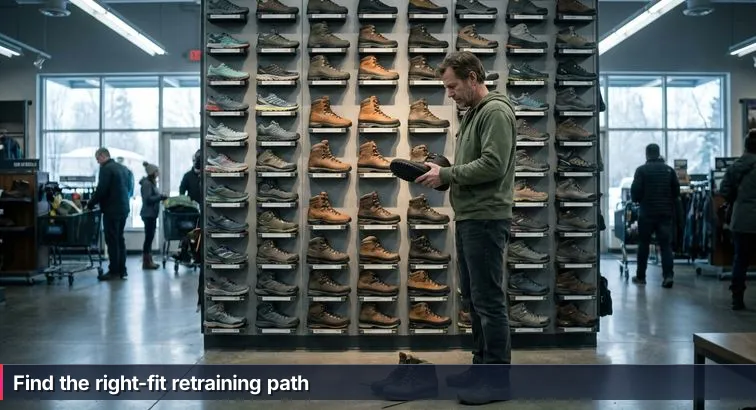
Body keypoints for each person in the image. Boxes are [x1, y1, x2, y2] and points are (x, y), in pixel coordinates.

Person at [416, 51, 516, 405]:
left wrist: (447, 174)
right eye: (447, 87)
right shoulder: (474, 113)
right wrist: (444, 174)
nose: (450, 93)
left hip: (487, 218)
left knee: (489, 301)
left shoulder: (495, 112)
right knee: (474, 300)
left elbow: (492, 164)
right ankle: (480, 367)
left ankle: (497, 381)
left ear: (473, 78)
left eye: (453, 86)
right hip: (472, 215)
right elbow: (475, 165)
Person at [630, 143, 680, 288]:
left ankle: (641, 277)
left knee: (644, 245)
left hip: (646, 213)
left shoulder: (641, 170)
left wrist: (639, 200)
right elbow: (676, 193)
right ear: (658, 154)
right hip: (665, 213)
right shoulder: (669, 171)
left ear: (647, 154)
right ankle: (668, 276)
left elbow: (635, 192)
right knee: (665, 246)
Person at [719, 130, 756, 310]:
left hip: (741, 219)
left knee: (740, 259)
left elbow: (724, 190)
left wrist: (736, 197)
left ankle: (737, 298)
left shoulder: (735, 167)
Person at [87, 147, 130, 280]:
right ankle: (122, 270)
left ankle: (113, 271)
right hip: (123, 208)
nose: (98, 162)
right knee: (119, 239)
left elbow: (101, 190)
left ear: (103, 156)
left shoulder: (106, 169)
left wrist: (90, 203)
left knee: (111, 240)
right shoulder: (122, 168)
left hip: (112, 210)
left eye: (98, 159)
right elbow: (128, 187)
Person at [139, 162, 168, 270]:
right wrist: (160, 197)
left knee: (150, 237)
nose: (158, 173)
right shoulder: (147, 184)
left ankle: (149, 261)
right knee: (148, 238)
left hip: (151, 214)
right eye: (156, 171)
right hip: (148, 214)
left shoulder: (151, 183)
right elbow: (148, 199)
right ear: (152, 173)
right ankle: (146, 262)